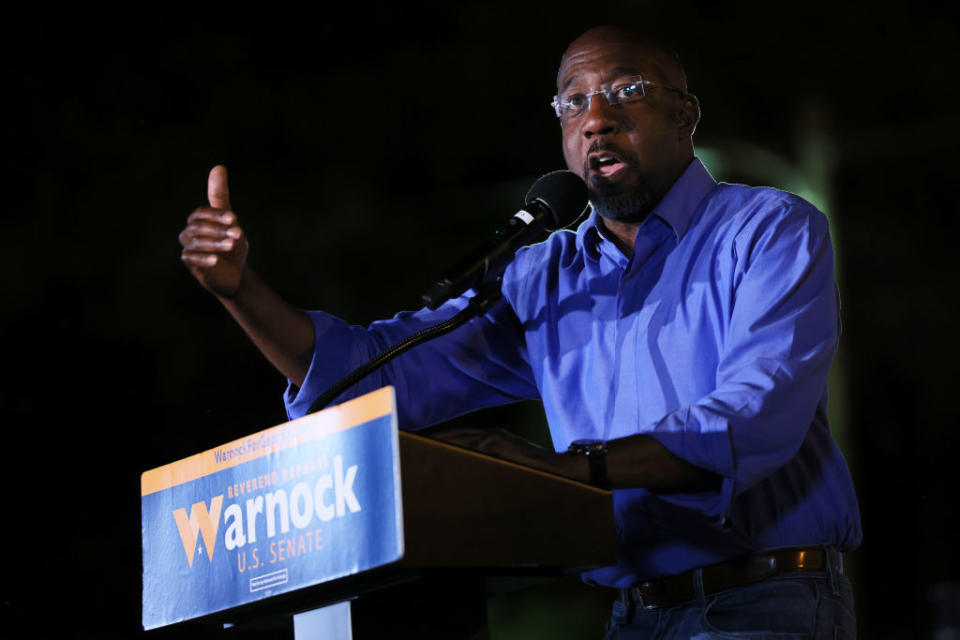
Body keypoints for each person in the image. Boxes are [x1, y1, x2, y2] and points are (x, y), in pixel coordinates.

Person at [179, 26, 861, 639]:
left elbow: (756, 413)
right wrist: (241, 292)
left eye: (627, 90)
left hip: (768, 601)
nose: (597, 118)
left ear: (685, 113)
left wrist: (570, 470)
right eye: (573, 102)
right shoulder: (545, 276)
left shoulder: (768, 229)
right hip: (632, 616)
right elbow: (367, 375)